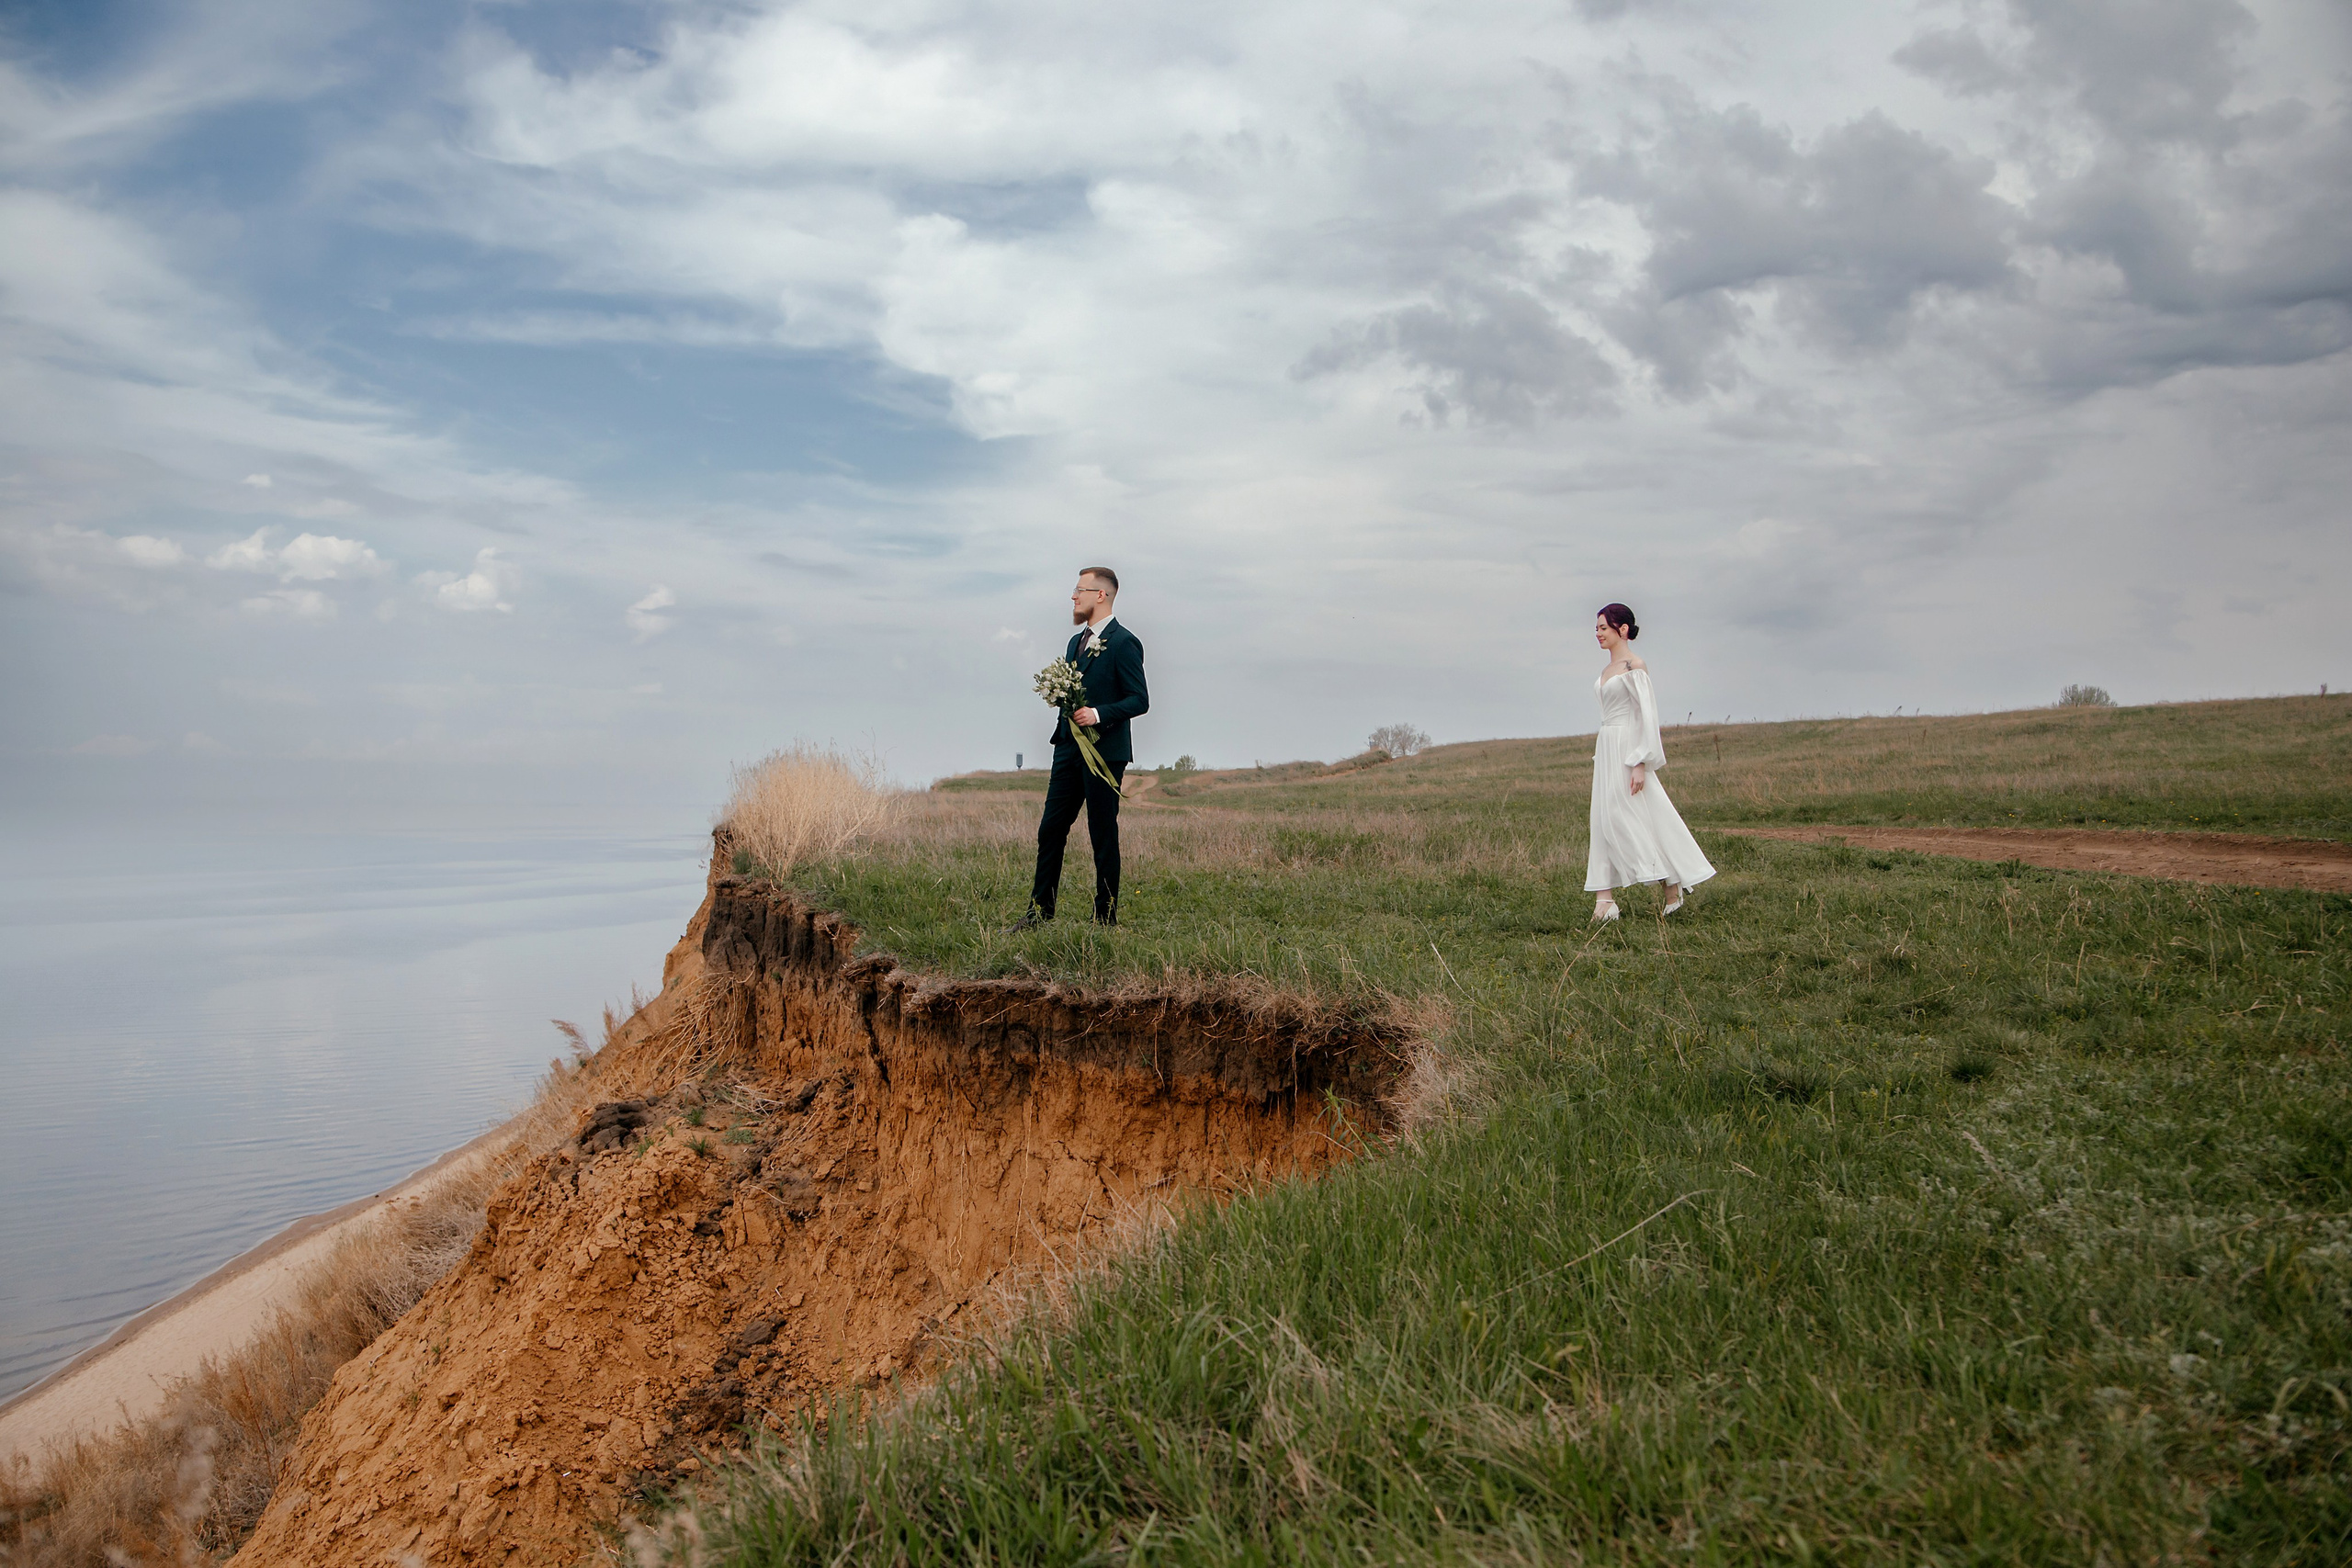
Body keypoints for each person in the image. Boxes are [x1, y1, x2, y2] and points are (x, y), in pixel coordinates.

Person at [1015, 567, 1149, 928]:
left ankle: (1104, 917)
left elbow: (1140, 700)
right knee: (1051, 829)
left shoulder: (1124, 642)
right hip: (1067, 751)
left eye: (1079, 590)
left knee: (1101, 833)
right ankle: (1039, 914)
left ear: (1100, 595)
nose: (1073, 597)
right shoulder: (1075, 643)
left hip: (1105, 753)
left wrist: (1098, 713)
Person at [1586, 603, 1713, 921]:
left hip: (1628, 749)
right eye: (1597, 627)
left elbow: (1646, 715)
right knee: (1602, 820)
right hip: (1607, 747)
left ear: (1622, 630)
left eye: (1604, 627)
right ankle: (1605, 900)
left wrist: (1640, 761)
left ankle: (1670, 879)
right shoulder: (1605, 672)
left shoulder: (1634, 666)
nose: (1598, 633)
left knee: (1626, 819)